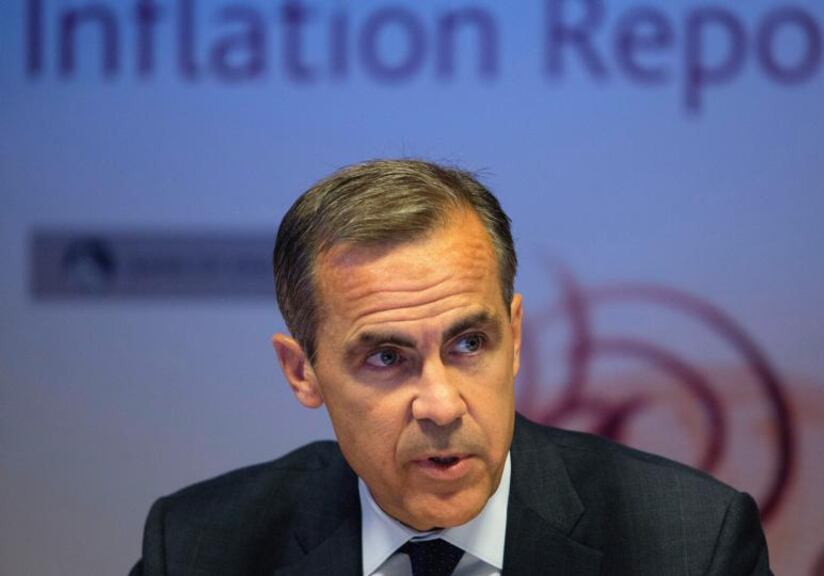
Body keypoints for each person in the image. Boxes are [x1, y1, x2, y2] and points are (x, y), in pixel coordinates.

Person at [130, 159, 772, 575]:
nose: (441, 405)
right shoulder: (198, 548)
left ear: (515, 337)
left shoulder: (688, 546)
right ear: (303, 372)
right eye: (386, 357)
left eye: (469, 344)